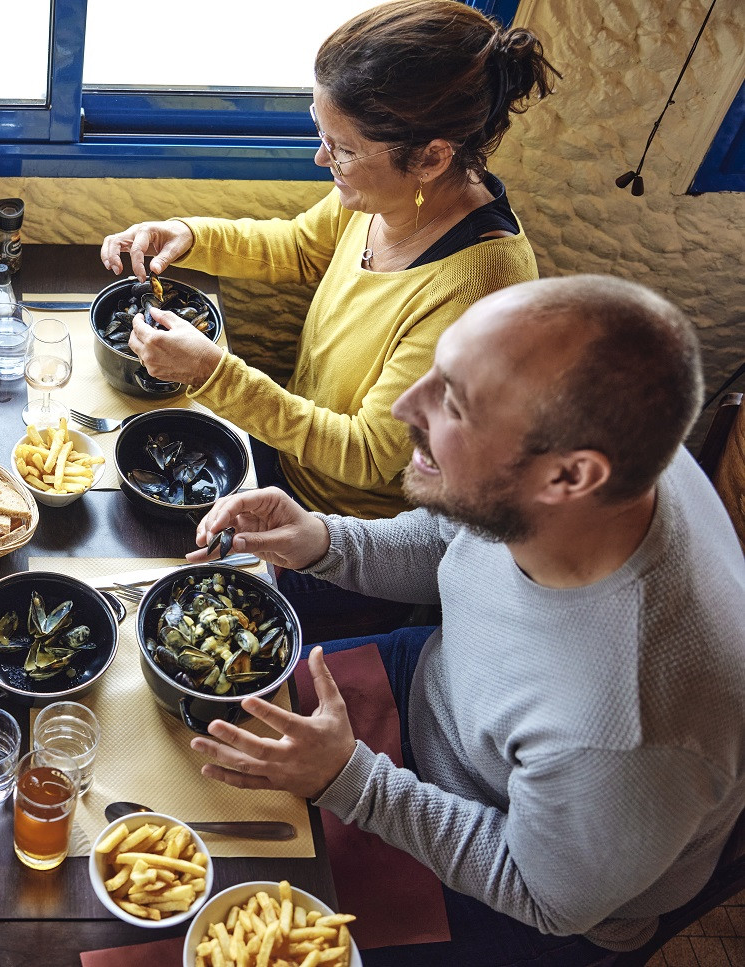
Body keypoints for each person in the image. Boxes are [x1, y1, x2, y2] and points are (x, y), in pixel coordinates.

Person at [186, 276, 745, 965]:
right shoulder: (604, 470)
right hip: (434, 693)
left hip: (516, 894)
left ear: (570, 477)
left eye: (453, 402)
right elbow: (460, 533)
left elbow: (546, 896)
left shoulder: (633, 726)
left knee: (216, 926)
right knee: (184, 766)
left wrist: (350, 780)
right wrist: (327, 541)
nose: (404, 407)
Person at [101, 0, 557, 636]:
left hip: (349, 539)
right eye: (322, 133)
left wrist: (213, 374)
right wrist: (187, 233)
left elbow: (370, 456)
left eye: (340, 149)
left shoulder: (479, 293)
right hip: (288, 458)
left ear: (431, 156)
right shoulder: (391, 192)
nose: (322, 160)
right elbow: (297, 246)